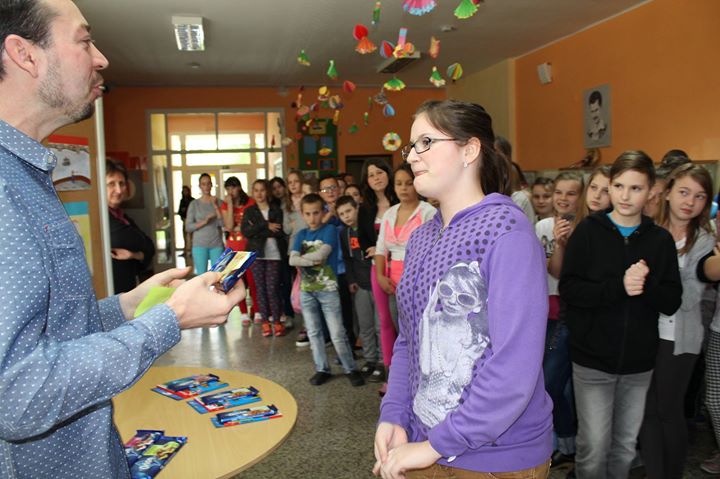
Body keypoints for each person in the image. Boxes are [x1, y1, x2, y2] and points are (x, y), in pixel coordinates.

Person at [0, 1, 246, 476]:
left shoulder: (27, 175)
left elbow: (54, 335)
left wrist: (130, 306)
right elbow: (18, 393)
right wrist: (170, 320)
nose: (102, 58)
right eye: (84, 40)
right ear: (25, 54)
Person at [375, 100, 552, 478]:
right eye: (411, 147)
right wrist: (394, 414)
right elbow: (409, 338)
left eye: (426, 143)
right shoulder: (422, 237)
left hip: (493, 455)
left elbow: (513, 367)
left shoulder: (506, 231)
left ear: (469, 150)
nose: (412, 157)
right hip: (425, 442)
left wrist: (437, 444)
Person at [559, 151, 682, 479]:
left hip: (638, 364)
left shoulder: (660, 240)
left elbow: (672, 300)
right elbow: (570, 290)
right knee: (594, 446)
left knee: (625, 447)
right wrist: (619, 286)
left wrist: (646, 284)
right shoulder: (588, 231)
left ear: (651, 191)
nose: (625, 196)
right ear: (610, 186)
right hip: (592, 360)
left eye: (636, 188)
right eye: (619, 186)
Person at [639, 164, 714, 479]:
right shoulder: (646, 231)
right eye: (684, 192)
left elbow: (689, 295)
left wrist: (650, 281)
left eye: (699, 196)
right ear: (667, 192)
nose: (690, 202)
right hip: (644, 334)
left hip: (680, 338)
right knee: (645, 411)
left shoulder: (704, 240)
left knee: (668, 410)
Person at [289, 194, 364, 387]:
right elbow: (291, 259)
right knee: (314, 332)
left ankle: (350, 368)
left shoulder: (329, 230)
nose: (312, 218)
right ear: (302, 214)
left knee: (337, 333)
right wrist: (311, 260)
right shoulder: (301, 234)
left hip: (328, 289)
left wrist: (304, 260)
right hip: (307, 291)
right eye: (308, 214)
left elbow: (322, 255)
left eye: (316, 213)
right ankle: (322, 368)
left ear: (323, 212)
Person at [374, 163, 436, 385]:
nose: (403, 188)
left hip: (419, 283)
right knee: (402, 332)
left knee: (421, 332)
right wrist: (380, 276)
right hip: (392, 284)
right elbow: (381, 248)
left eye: (409, 183)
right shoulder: (390, 213)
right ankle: (404, 380)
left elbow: (433, 250)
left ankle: (424, 378)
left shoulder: (428, 212)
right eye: (399, 183)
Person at [358, 158, 398, 396]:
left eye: (380, 172)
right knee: (384, 322)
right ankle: (390, 376)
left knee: (405, 321)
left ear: (388, 174)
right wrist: (374, 249)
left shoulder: (402, 198)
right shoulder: (365, 209)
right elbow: (364, 240)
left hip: (403, 266)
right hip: (379, 268)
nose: (376, 178)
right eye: (371, 175)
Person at [337, 195, 381, 380]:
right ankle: (370, 360)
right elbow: (348, 259)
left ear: (357, 209)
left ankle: (382, 361)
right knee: (365, 326)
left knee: (380, 326)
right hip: (361, 285)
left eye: (349, 211)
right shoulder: (344, 234)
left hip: (377, 283)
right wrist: (351, 280)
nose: (346, 216)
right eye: (341, 214)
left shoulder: (369, 226)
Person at [241, 180, 287, 337]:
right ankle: (265, 322)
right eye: (256, 190)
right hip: (257, 254)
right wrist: (266, 225)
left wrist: (257, 229)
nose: (259, 194)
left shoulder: (276, 210)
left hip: (274, 254)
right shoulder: (249, 211)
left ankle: (277, 321)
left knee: (273, 288)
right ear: (252, 192)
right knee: (260, 288)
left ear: (267, 192)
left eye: (262, 190)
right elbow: (246, 232)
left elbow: (278, 231)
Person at [106, 159, 155, 293]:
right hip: (112, 291)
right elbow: (145, 244)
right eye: (111, 184)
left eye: (121, 183)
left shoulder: (123, 217)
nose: (118, 190)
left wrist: (133, 255)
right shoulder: (103, 220)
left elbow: (150, 247)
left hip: (128, 287)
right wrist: (141, 252)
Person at [221, 176, 258, 325]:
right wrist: (230, 205)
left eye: (234, 187)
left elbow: (253, 225)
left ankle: (256, 309)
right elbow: (229, 226)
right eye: (228, 188)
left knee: (253, 281)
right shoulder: (225, 205)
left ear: (239, 187)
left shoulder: (250, 202)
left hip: (249, 245)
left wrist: (241, 228)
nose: (231, 191)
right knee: (238, 281)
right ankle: (243, 313)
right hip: (233, 246)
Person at [185, 173, 223, 274]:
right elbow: (188, 227)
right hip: (199, 245)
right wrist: (205, 221)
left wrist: (215, 206)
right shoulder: (194, 204)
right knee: (201, 276)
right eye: (203, 184)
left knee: (218, 276)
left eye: (208, 183)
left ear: (211, 185)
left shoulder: (219, 202)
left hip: (216, 244)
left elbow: (223, 224)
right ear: (200, 186)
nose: (206, 186)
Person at [177, 185, 194, 256]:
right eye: (184, 191)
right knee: (185, 237)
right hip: (185, 220)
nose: (185, 192)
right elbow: (180, 211)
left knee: (192, 237)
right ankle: (185, 251)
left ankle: (192, 251)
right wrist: (182, 216)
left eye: (186, 191)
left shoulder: (192, 200)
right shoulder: (182, 201)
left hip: (192, 221)